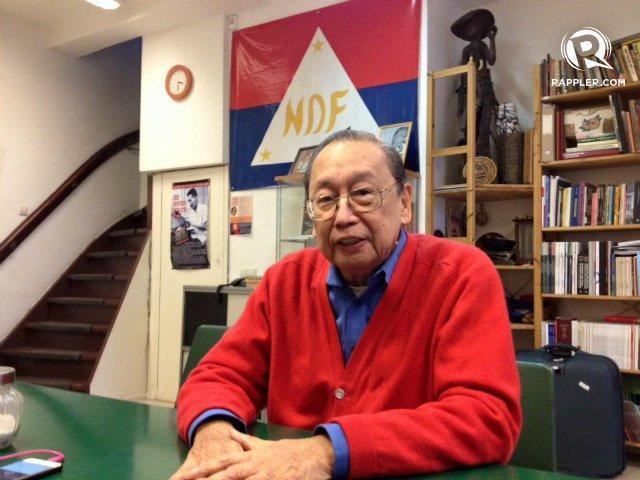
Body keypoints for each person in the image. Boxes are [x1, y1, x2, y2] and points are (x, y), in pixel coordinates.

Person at [173, 129, 521, 480]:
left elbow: (486, 416)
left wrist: (327, 451)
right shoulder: (285, 280)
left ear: (404, 204)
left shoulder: (460, 275)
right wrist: (216, 433)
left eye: (363, 194)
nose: (342, 217)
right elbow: (220, 375)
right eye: (325, 200)